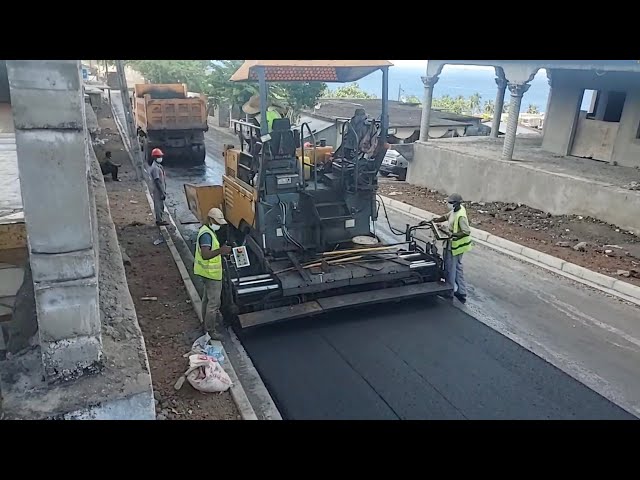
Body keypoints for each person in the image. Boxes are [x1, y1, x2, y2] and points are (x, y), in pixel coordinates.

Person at [422, 193, 472, 304]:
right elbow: (446, 216)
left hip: (454, 245)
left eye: (450, 202)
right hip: (457, 246)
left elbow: (466, 231)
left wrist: (453, 235)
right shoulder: (456, 211)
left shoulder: (461, 216)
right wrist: (435, 220)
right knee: (458, 268)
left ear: (456, 203)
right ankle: (462, 292)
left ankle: (449, 292)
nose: (448, 204)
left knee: (450, 269)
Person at [194, 207, 232, 340]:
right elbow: (205, 255)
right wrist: (221, 251)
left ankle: (204, 324)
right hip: (211, 274)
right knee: (214, 304)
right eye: (217, 222)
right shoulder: (206, 235)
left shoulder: (207, 231)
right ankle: (211, 331)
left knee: (206, 300)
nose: (219, 225)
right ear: (210, 219)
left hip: (205, 272)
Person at [148, 148, 168, 226]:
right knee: (158, 205)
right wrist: (162, 192)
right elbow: (157, 181)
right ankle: (159, 220)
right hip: (158, 189)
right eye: (158, 156)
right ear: (155, 157)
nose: (160, 158)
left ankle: (160, 219)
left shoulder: (158, 166)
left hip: (160, 188)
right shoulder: (155, 168)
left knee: (161, 204)